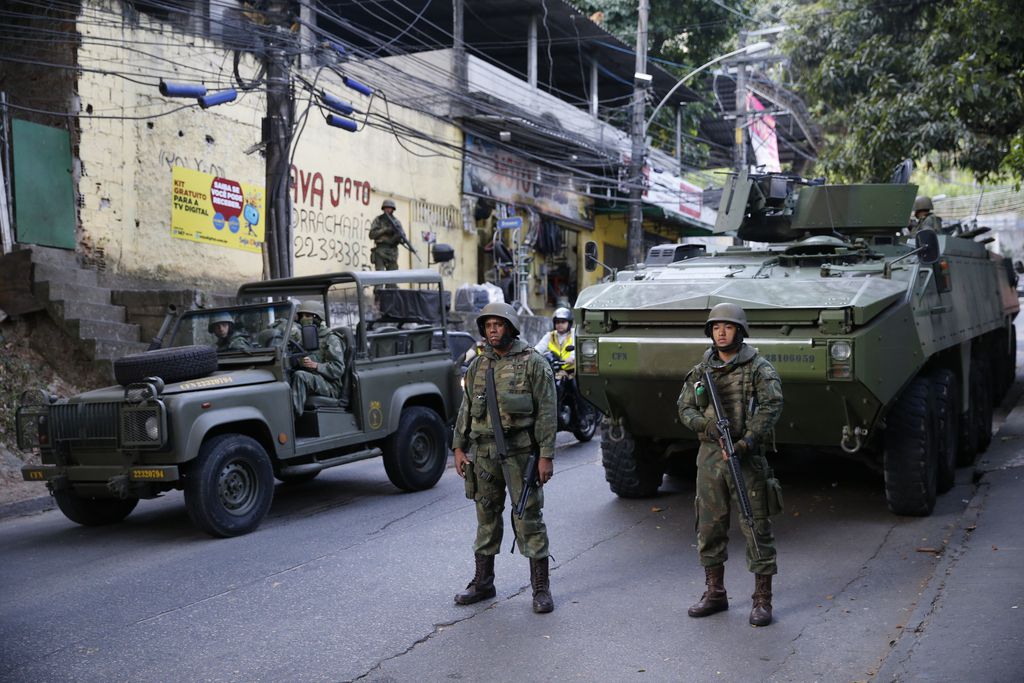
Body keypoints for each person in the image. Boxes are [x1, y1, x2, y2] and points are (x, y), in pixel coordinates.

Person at [676, 303, 784, 627]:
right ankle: (715, 592)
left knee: (755, 525)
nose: (722, 332)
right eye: (716, 327)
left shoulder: (758, 368)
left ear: (740, 331)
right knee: (709, 525)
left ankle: (762, 599)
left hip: (746, 456)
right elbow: (684, 408)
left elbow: (772, 406)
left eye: (728, 327)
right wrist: (707, 427)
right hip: (711, 456)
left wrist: (747, 441)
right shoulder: (700, 371)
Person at [452, 302, 558, 613]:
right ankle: (483, 582)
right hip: (484, 455)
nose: (493, 330)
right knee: (486, 517)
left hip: (521, 453)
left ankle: (541, 588)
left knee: (528, 518)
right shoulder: (477, 367)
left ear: (510, 327)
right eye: (488, 325)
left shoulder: (533, 364)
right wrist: (458, 447)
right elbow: (466, 409)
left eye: (498, 324)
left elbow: (547, 414)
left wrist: (546, 456)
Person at [289, 300, 347, 416]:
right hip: (313, 379)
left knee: (300, 376)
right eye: (301, 316)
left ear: (317, 318)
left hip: (330, 385)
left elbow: (338, 369)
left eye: (308, 316)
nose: (303, 319)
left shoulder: (331, 339)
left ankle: (292, 420)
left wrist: (316, 365)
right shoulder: (303, 339)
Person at [534, 307, 575, 373]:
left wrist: (572, 358)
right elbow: (539, 348)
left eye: (563, 322)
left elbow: (576, 349)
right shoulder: (550, 335)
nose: (560, 324)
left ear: (569, 323)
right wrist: (531, 356)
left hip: (571, 371)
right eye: (557, 322)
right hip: (553, 370)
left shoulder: (574, 334)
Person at [368, 198, 404, 271]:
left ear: (393, 209)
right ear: (383, 209)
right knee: (379, 276)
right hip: (380, 250)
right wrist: (384, 230)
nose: (388, 210)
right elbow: (371, 235)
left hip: (392, 252)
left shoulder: (396, 222)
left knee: (392, 277)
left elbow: (403, 238)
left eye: (390, 208)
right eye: (386, 208)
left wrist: (398, 235)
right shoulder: (378, 220)